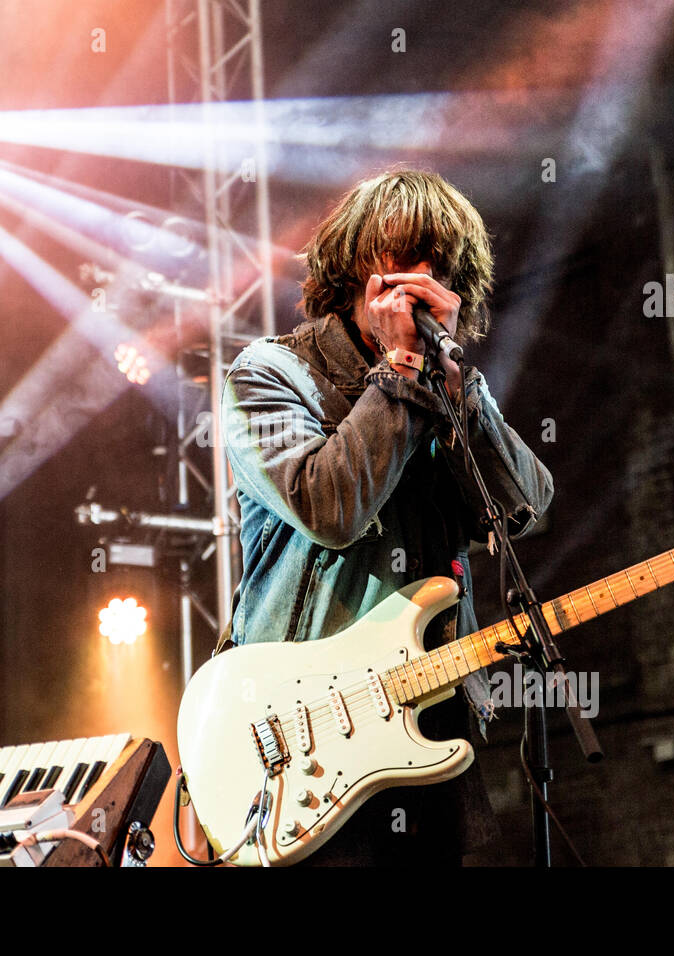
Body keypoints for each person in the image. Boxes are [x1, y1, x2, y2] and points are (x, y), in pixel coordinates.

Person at [219, 168, 554, 865]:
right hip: (304, 728)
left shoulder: (443, 387)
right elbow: (329, 507)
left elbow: (525, 506)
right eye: (402, 259)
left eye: (439, 267)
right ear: (353, 267)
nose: (421, 281)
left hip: (429, 718)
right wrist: (399, 372)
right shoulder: (271, 374)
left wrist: (460, 399)